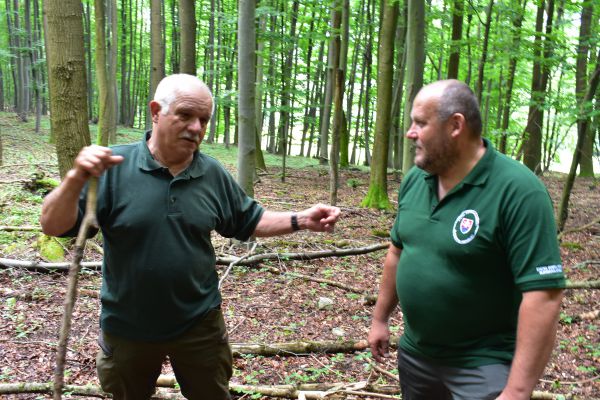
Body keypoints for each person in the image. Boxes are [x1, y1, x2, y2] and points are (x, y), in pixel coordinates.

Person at [40, 73, 340, 400]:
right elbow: (52, 225)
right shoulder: (115, 167)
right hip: (128, 327)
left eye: (204, 119)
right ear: (156, 111)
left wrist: (302, 219)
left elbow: (250, 220)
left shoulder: (211, 174)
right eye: (185, 115)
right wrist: (75, 178)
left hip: (199, 325)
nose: (196, 127)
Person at [367, 80, 565, 400]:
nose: (410, 133)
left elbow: (544, 295)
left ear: (455, 125)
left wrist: (516, 391)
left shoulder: (518, 191)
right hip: (417, 358)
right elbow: (397, 251)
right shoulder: (416, 179)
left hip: (482, 365)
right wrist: (380, 318)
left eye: (420, 123)